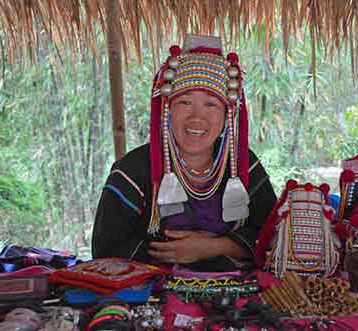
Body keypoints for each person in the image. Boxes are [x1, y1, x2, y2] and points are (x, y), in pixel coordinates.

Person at [92, 35, 276, 271]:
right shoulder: (133, 170)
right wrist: (174, 255)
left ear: (227, 115)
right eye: (185, 103)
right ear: (167, 111)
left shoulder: (242, 164)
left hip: (235, 301)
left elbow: (272, 236)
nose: (197, 117)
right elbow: (105, 250)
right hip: (152, 301)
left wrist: (215, 247)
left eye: (211, 105)